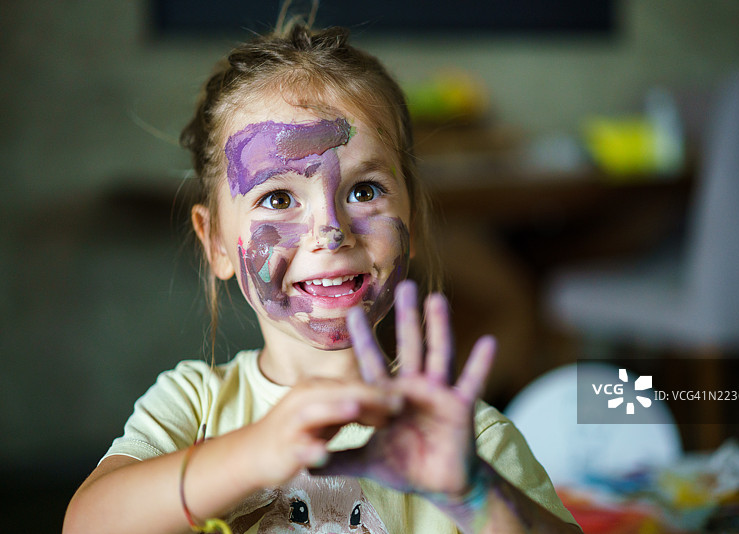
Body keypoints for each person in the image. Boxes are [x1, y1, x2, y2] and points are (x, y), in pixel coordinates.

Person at [63, 16, 581, 534]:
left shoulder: (465, 439)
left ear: (415, 225)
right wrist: (253, 452)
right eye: (278, 199)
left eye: (364, 191)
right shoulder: (193, 405)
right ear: (217, 243)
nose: (330, 231)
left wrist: (474, 494)